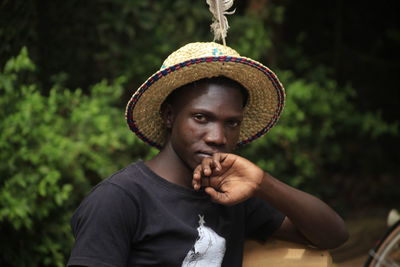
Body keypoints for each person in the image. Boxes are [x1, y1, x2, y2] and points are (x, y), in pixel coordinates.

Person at [67, 42, 348, 267]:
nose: (217, 137)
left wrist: (264, 184)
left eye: (232, 123)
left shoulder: (232, 195)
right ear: (169, 116)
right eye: (201, 117)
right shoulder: (119, 199)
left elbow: (333, 235)